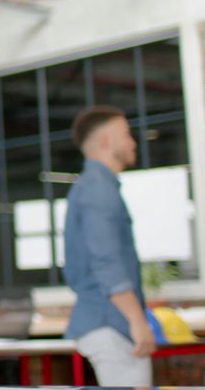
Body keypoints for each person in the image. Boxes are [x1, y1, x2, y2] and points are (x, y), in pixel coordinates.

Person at [63, 105, 156, 386]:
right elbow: (107, 261)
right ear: (106, 141)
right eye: (126, 134)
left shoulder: (97, 186)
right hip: (110, 322)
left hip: (108, 320)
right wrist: (138, 322)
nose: (133, 142)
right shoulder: (97, 189)